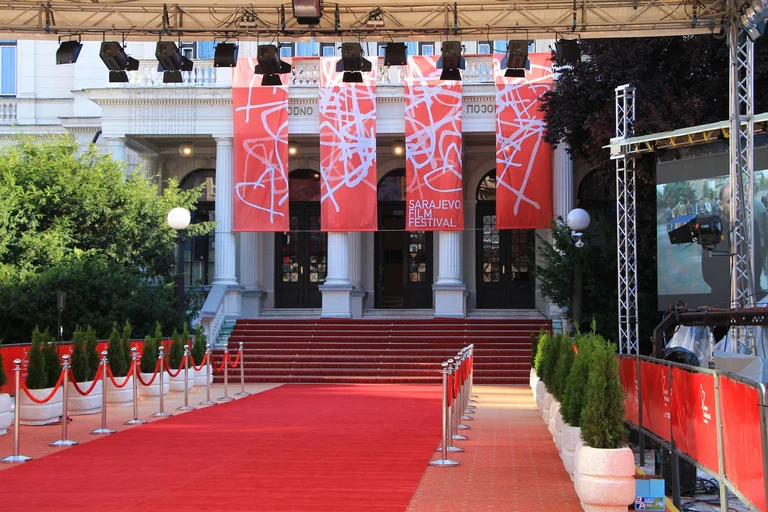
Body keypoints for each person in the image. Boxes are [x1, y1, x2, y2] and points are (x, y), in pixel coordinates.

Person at [701, 181, 768, 303]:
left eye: (739, 200)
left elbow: (757, 262)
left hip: (748, 297)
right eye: (729, 201)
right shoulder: (711, 230)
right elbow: (707, 273)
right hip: (721, 300)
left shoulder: (751, 225)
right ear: (721, 205)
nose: (736, 204)